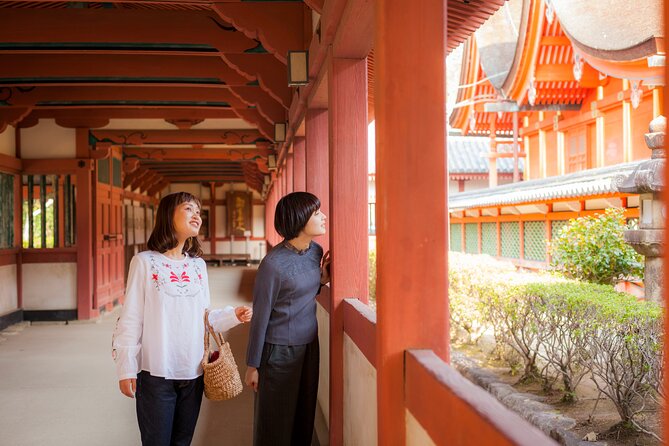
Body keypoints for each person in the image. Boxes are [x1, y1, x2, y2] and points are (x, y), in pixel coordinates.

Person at [112, 191, 252, 446]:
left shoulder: (197, 265)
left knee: (183, 441)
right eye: (189, 209)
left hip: (194, 370)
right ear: (168, 215)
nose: (196, 215)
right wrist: (126, 367)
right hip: (156, 371)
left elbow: (205, 316)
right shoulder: (144, 262)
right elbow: (131, 318)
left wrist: (234, 315)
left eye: (198, 211)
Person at [244, 191, 331, 446]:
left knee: (304, 418)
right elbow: (261, 314)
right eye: (317, 213)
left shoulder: (316, 251)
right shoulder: (273, 265)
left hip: (308, 347)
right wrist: (253, 364)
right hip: (277, 352)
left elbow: (301, 292)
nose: (323, 216)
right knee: (274, 423)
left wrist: (322, 280)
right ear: (300, 218)